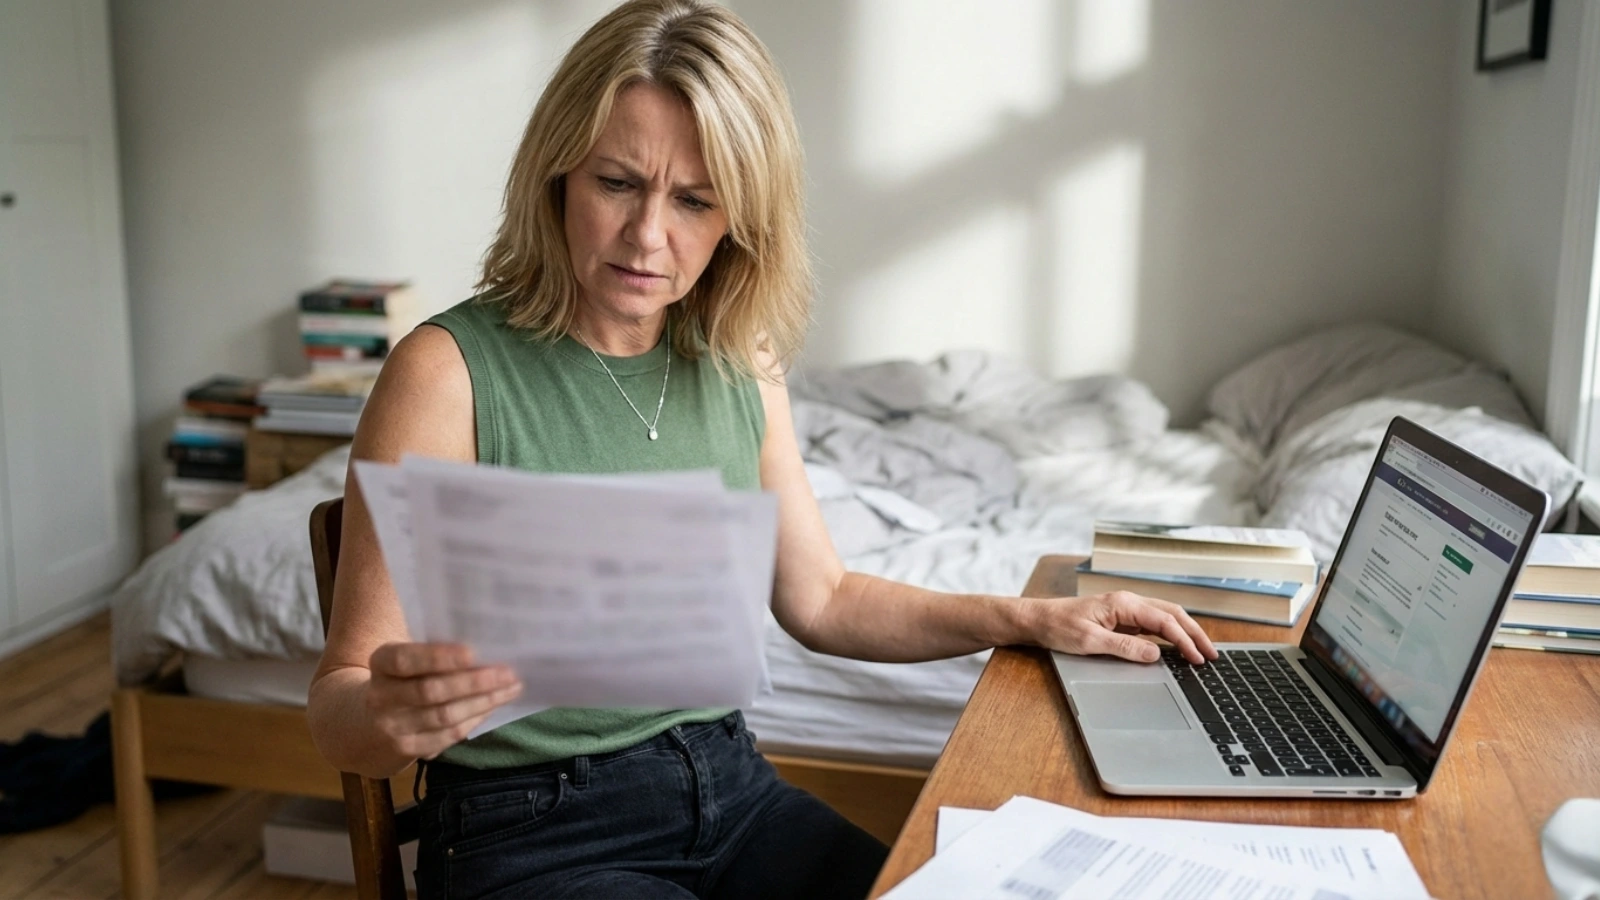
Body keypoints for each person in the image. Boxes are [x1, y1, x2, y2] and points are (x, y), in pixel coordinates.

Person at [306, 2, 1218, 897]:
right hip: (536, 831)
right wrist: (391, 713)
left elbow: (822, 597)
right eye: (617, 183)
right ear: (557, 176)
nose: (648, 236)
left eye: (694, 201)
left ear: (740, 216)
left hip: (733, 790)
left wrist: (1031, 619)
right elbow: (340, 705)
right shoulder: (446, 373)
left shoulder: (740, 356)